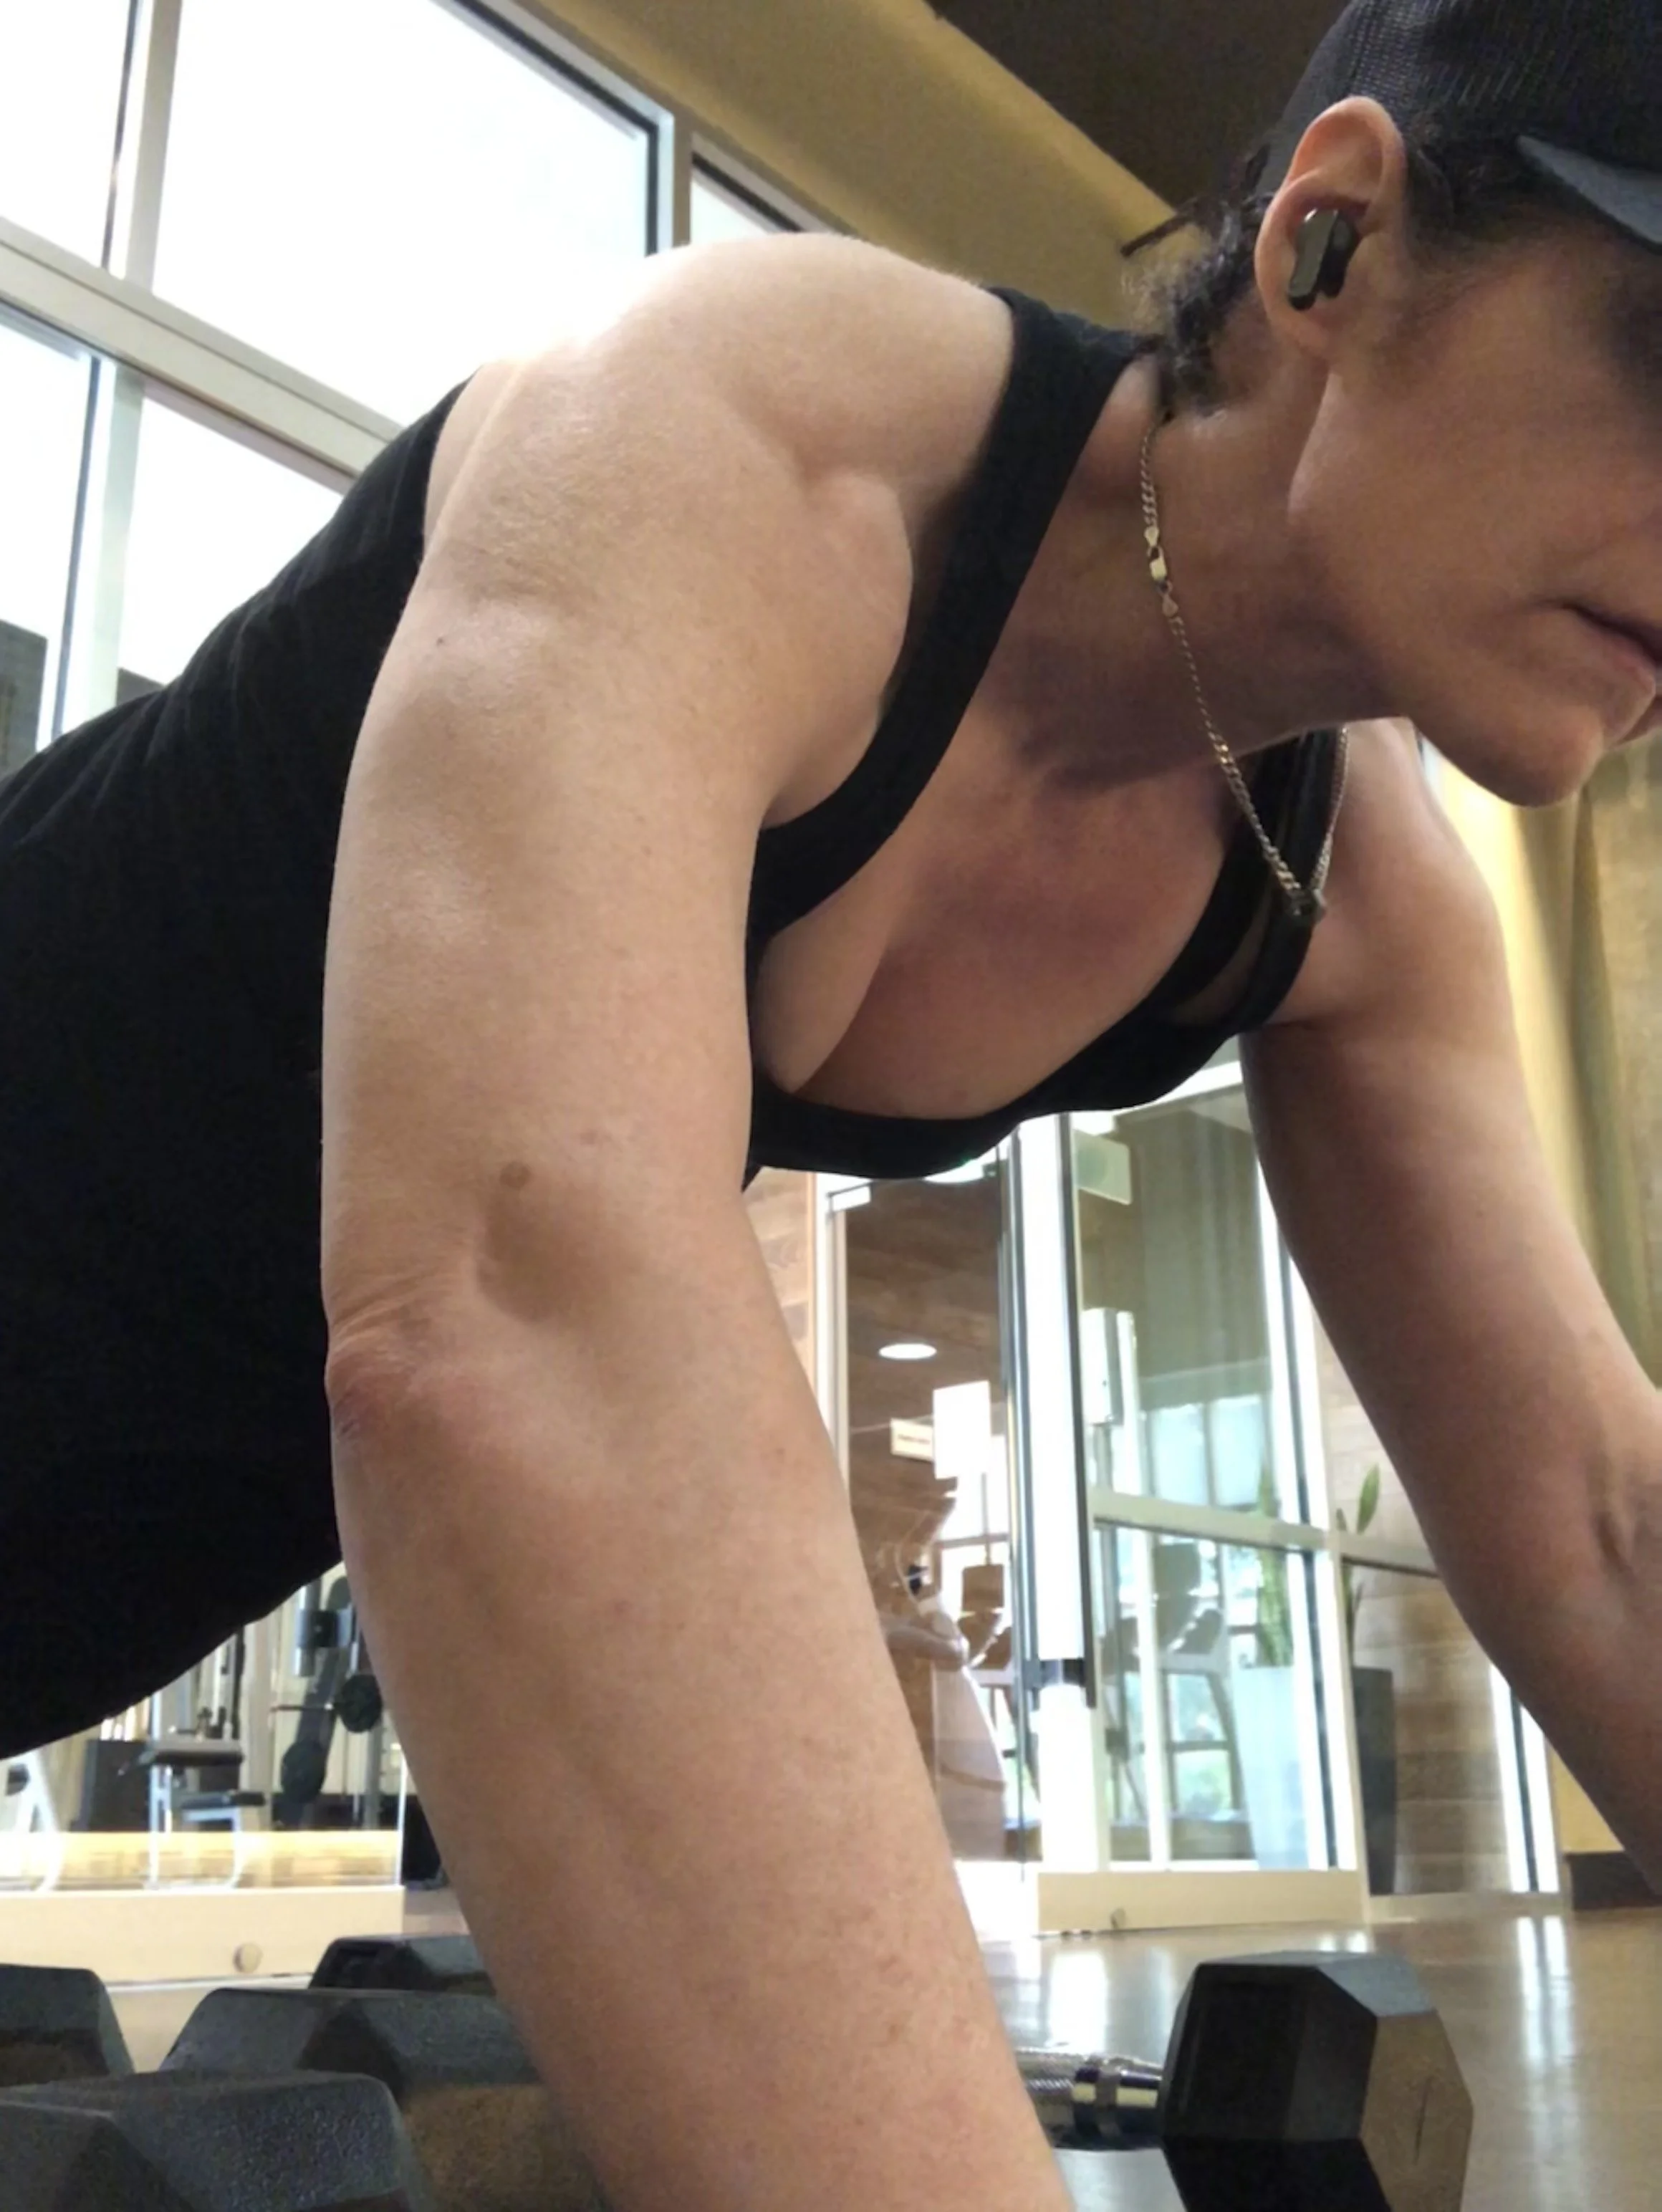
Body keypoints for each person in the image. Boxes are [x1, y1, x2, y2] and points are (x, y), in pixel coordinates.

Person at [2, 0, 1661, 2203]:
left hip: (124, 1542)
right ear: (1334, 239)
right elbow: (520, 1328)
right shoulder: (760, 435)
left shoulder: (1342, 890)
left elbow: (1610, 1537)